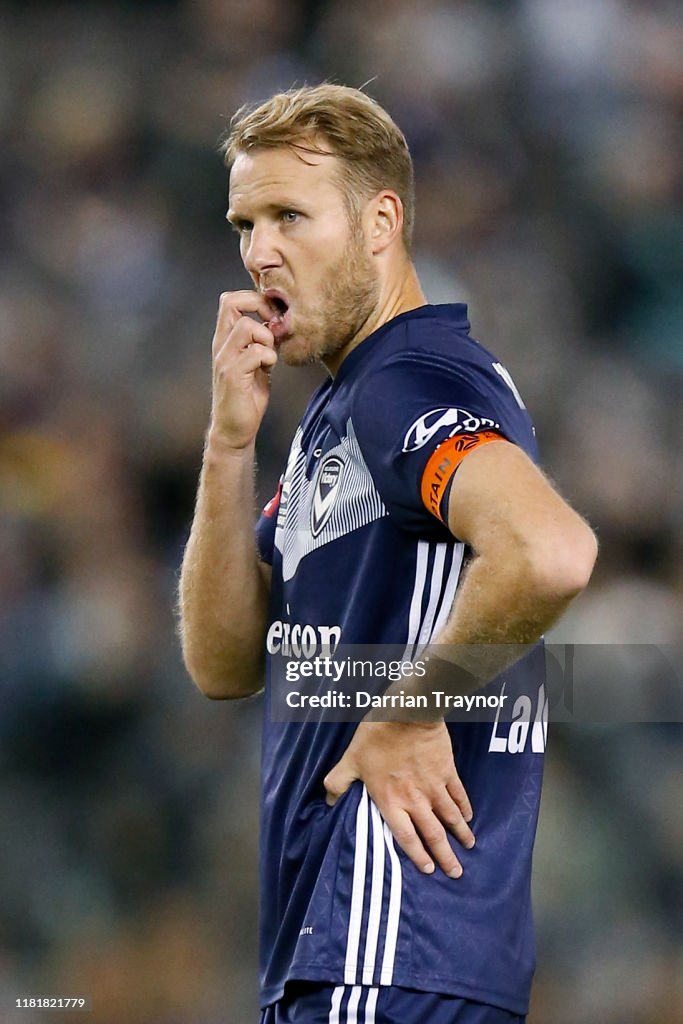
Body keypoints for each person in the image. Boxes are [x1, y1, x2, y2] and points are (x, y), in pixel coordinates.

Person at [178, 84, 597, 1024]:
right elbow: (222, 661)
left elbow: (550, 550)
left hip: (388, 929)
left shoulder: (406, 381)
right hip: (360, 948)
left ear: (380, 222)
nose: (260, 251)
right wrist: (229, 446)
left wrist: (409, 716)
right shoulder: (341, 411)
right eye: (245, 222)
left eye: (291, 214)